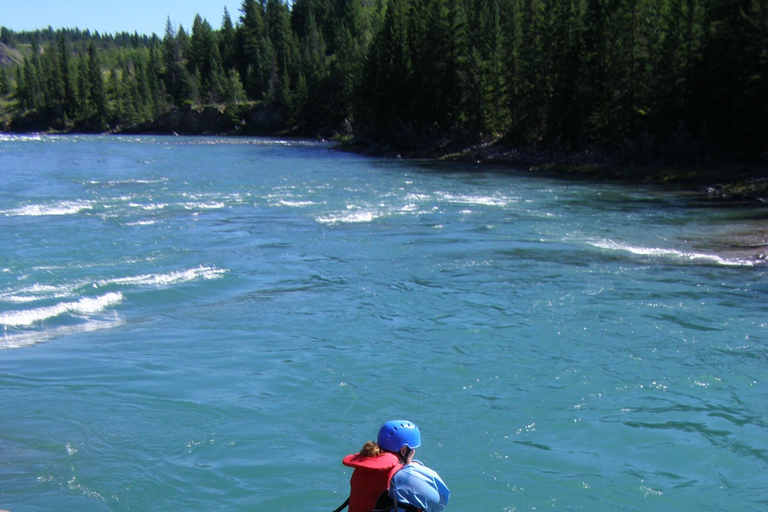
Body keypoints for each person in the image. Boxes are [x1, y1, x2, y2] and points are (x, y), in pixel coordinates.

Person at [338, 420, 449, 512]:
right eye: (413, 449)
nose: (414, 452)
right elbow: (440, 501)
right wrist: (414, 467)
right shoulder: (405, 477)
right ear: (404, 450)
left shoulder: (363, 468)